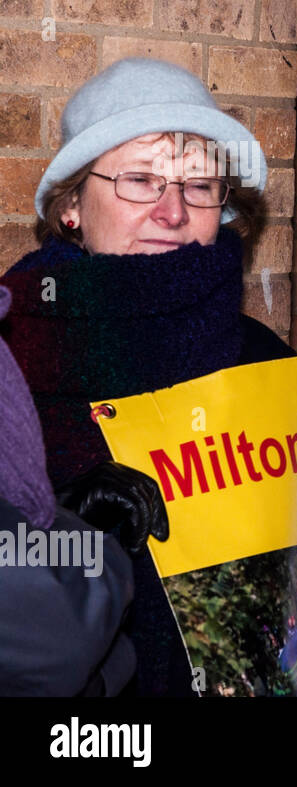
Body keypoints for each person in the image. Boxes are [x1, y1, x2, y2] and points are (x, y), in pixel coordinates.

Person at [0, 57, 293, 696]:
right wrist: (64, 533)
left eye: (198, 185)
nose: (172, 212)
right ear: (73, 205)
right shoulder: (12, 365)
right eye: (140, 180)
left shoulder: (268, 365)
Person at [0, 285, 137, 696]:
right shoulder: (38, 340)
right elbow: (57, 632)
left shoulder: (255, 345)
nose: (172, 215)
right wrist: (82, 545)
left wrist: (57, 511)